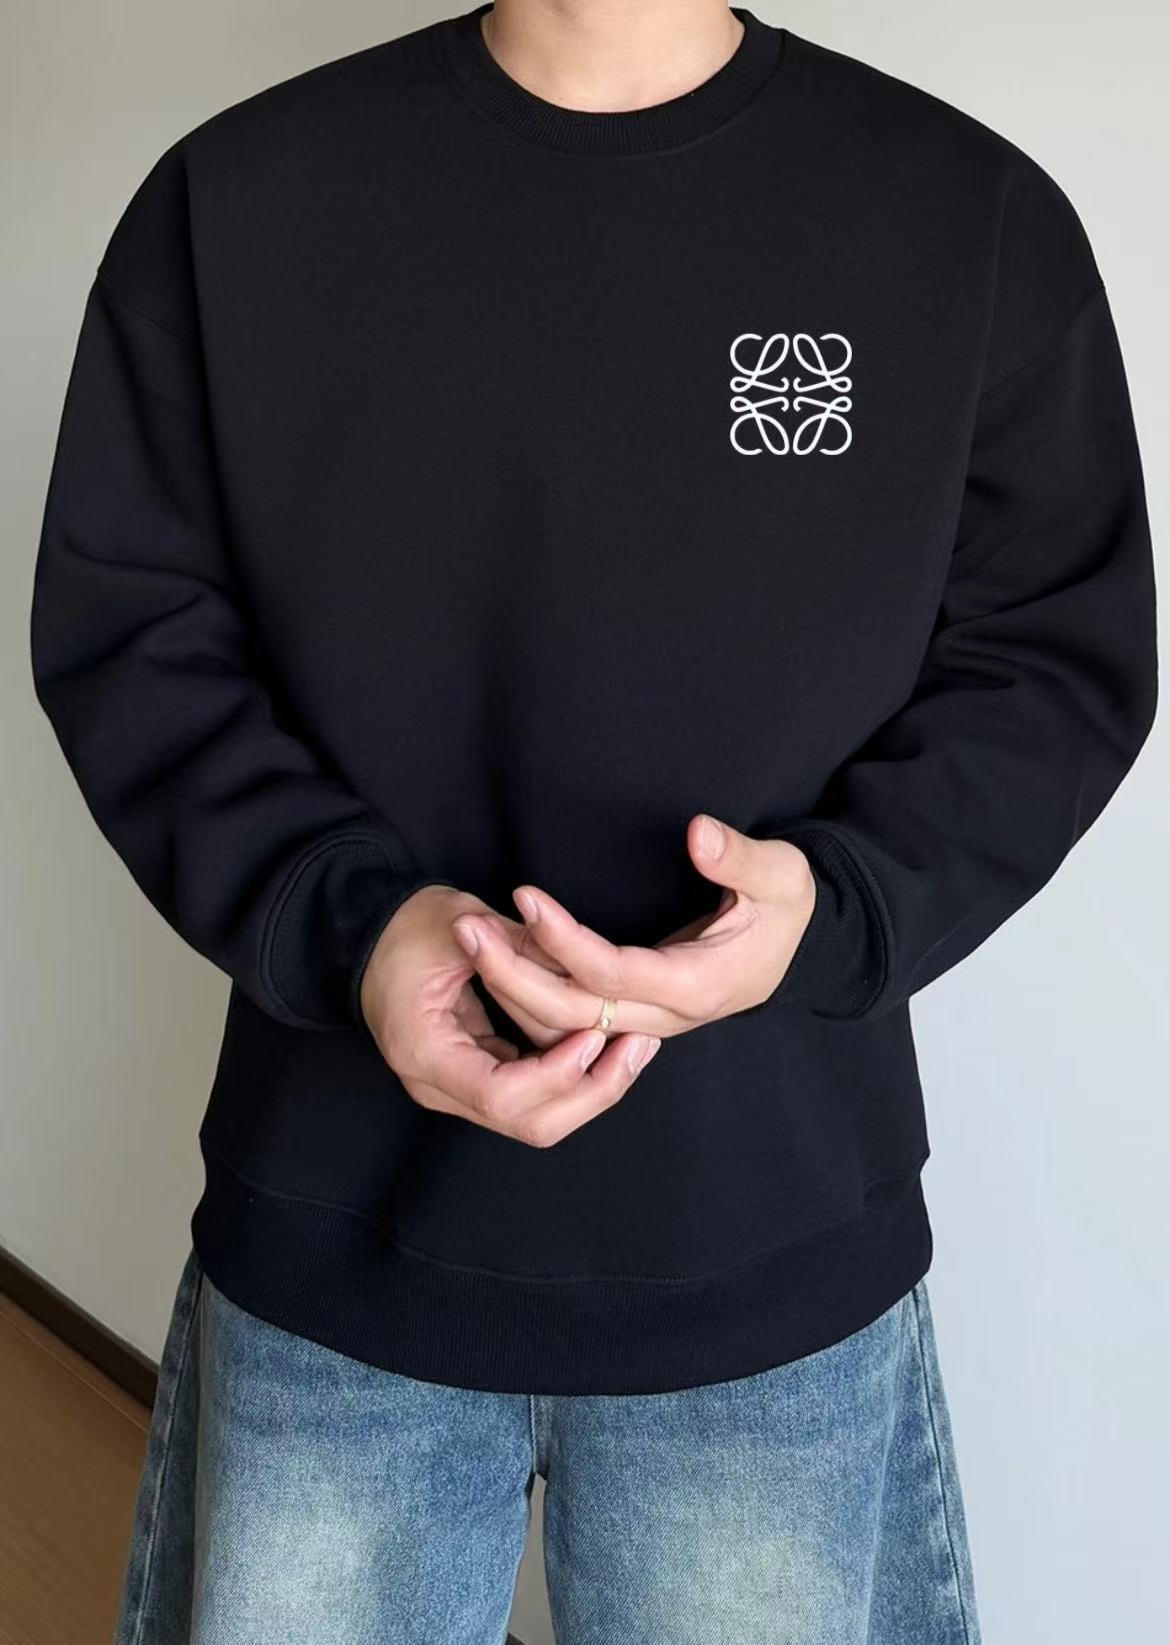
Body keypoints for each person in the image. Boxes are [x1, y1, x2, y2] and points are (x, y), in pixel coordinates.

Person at [30, 2, 1156, 1641]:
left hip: (768, 1262)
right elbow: (135, 634)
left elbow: (1049, 658)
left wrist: (834, 903)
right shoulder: (239, 199)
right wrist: (355, 928)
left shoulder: (963, 217)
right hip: (337, 1247)